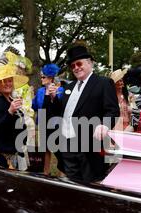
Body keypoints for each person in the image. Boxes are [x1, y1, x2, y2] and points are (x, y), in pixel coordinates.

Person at [44, 45, 119, 182]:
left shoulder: (103, 83)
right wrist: (53, 98)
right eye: (73, 66)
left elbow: (112, 110)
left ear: (90, 62)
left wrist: (104, 125)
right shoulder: (69, 87)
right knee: (73, 184)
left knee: (91, 185)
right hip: (66, 145)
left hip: (89, 146)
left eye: (79, 63)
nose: (76, 68)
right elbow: (61, 112)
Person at [0, 63, 29, 169]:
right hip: (0, 154)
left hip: (11, 151)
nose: (7, 84)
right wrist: (10, 111)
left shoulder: (10, 99)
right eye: (3, 82)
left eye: (9, 81)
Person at [32, 63, 64, 175]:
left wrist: (53, 95)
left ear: (50, 78)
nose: (41, 79)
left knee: (58, 149)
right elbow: (34, 106)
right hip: (42, 121)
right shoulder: (40, 91)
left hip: (55, 123)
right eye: (41, 77)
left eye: (43, 77)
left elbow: (59, 107)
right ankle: (46, 172)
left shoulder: (60, 90)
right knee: (45, 148)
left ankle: (62, 173)